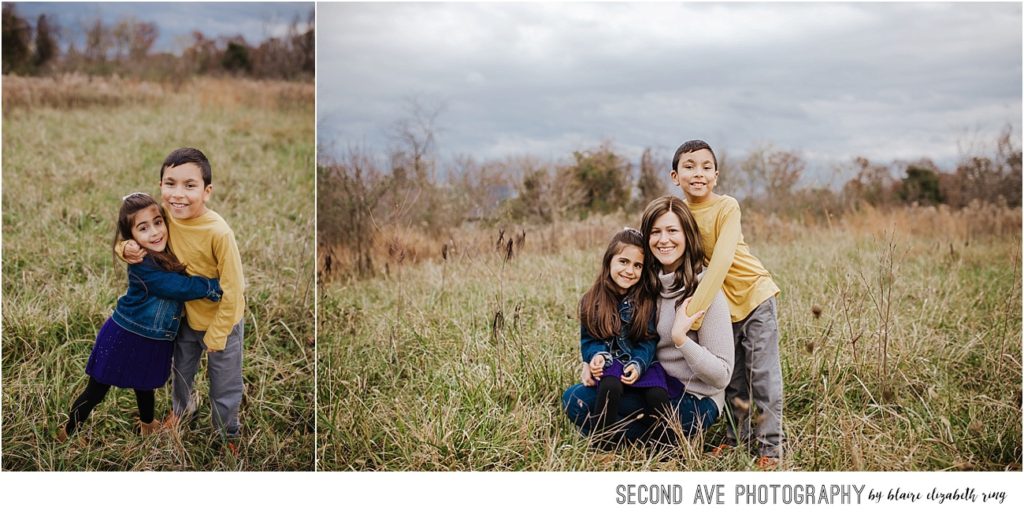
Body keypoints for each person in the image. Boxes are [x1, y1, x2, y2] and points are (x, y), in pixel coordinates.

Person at [563, 196, 734, 446]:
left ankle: (633, 438)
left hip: (694, 399)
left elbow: (721, 377)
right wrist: (593, 359)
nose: (663, 239)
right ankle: (655, 440)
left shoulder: (705, 291)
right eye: (655, 232)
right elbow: (618, 335)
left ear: (687, 235)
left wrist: (681, 339)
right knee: (575, 398)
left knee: (591, 408)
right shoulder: (644, 285)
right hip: (648, 386)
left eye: (672, 230)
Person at [59, 192, 222, 441]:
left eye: (158, 222)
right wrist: (210, 286)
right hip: (124, 336)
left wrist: (124, 245)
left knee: (144, 385)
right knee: (96, 390)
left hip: (152, 340)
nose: (155, 232)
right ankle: (68, 431)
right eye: (143, 229)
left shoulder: (167, 248)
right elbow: (178, 287)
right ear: (132, 237)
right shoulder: (143, 263)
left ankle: (148, 424)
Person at [121, 147, 246, 451]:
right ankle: (181, 410)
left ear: (207, 192)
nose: (178, 194)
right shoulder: (164, 218)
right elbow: (134, 230)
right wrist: (123, 248)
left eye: (190, 186)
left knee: (224, 385)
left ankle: (226, 434)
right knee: (181, 371)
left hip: (222, 322)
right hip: (184, 317)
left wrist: (218, 333)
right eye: (170, 183)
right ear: (161, 186)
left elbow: (233, 289)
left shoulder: (219, 233)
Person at [671, 139, 784, 467]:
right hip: (721, 307)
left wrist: (690, 315)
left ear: (716, 176)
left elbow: (720, 262)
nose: (698, 173)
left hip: (753, 296)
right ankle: (736, 441)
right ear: (675, 176)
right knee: (732, 378)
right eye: (689, 167)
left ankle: (770, 449)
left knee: (761, 376)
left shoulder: (726, 206)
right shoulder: (679, 211)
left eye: (706, 167)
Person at [577, 228, 669, 446]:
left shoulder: (645, 301)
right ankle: (603, 443)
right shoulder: (591, 301)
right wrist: (595, 356)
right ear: (609, 261)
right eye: (623, 262)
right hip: (611, 361)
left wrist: (638, 364)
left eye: (637, 266)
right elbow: (589, 341)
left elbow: (648, 341)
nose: (630, 271)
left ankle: (666, 447)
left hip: (642, 363)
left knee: (657, 394)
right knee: (610, 385)